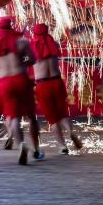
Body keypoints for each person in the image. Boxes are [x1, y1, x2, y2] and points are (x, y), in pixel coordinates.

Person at [0, 16, 43, 164]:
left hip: (4, 83)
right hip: (21, 79)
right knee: (31, 117)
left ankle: (21, 145)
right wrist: (21, 61)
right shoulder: (22, 41)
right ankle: (36, 149)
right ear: (11, 26)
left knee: (13, 117)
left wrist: (2, 63)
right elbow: (32, 59)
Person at [31, 23, 82, 154]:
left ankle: (63, 146)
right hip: (57, 82)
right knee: (62, 113)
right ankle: (70, 132)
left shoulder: (32, 47)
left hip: (43, 85)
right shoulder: (53, 44)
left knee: (53, 119)